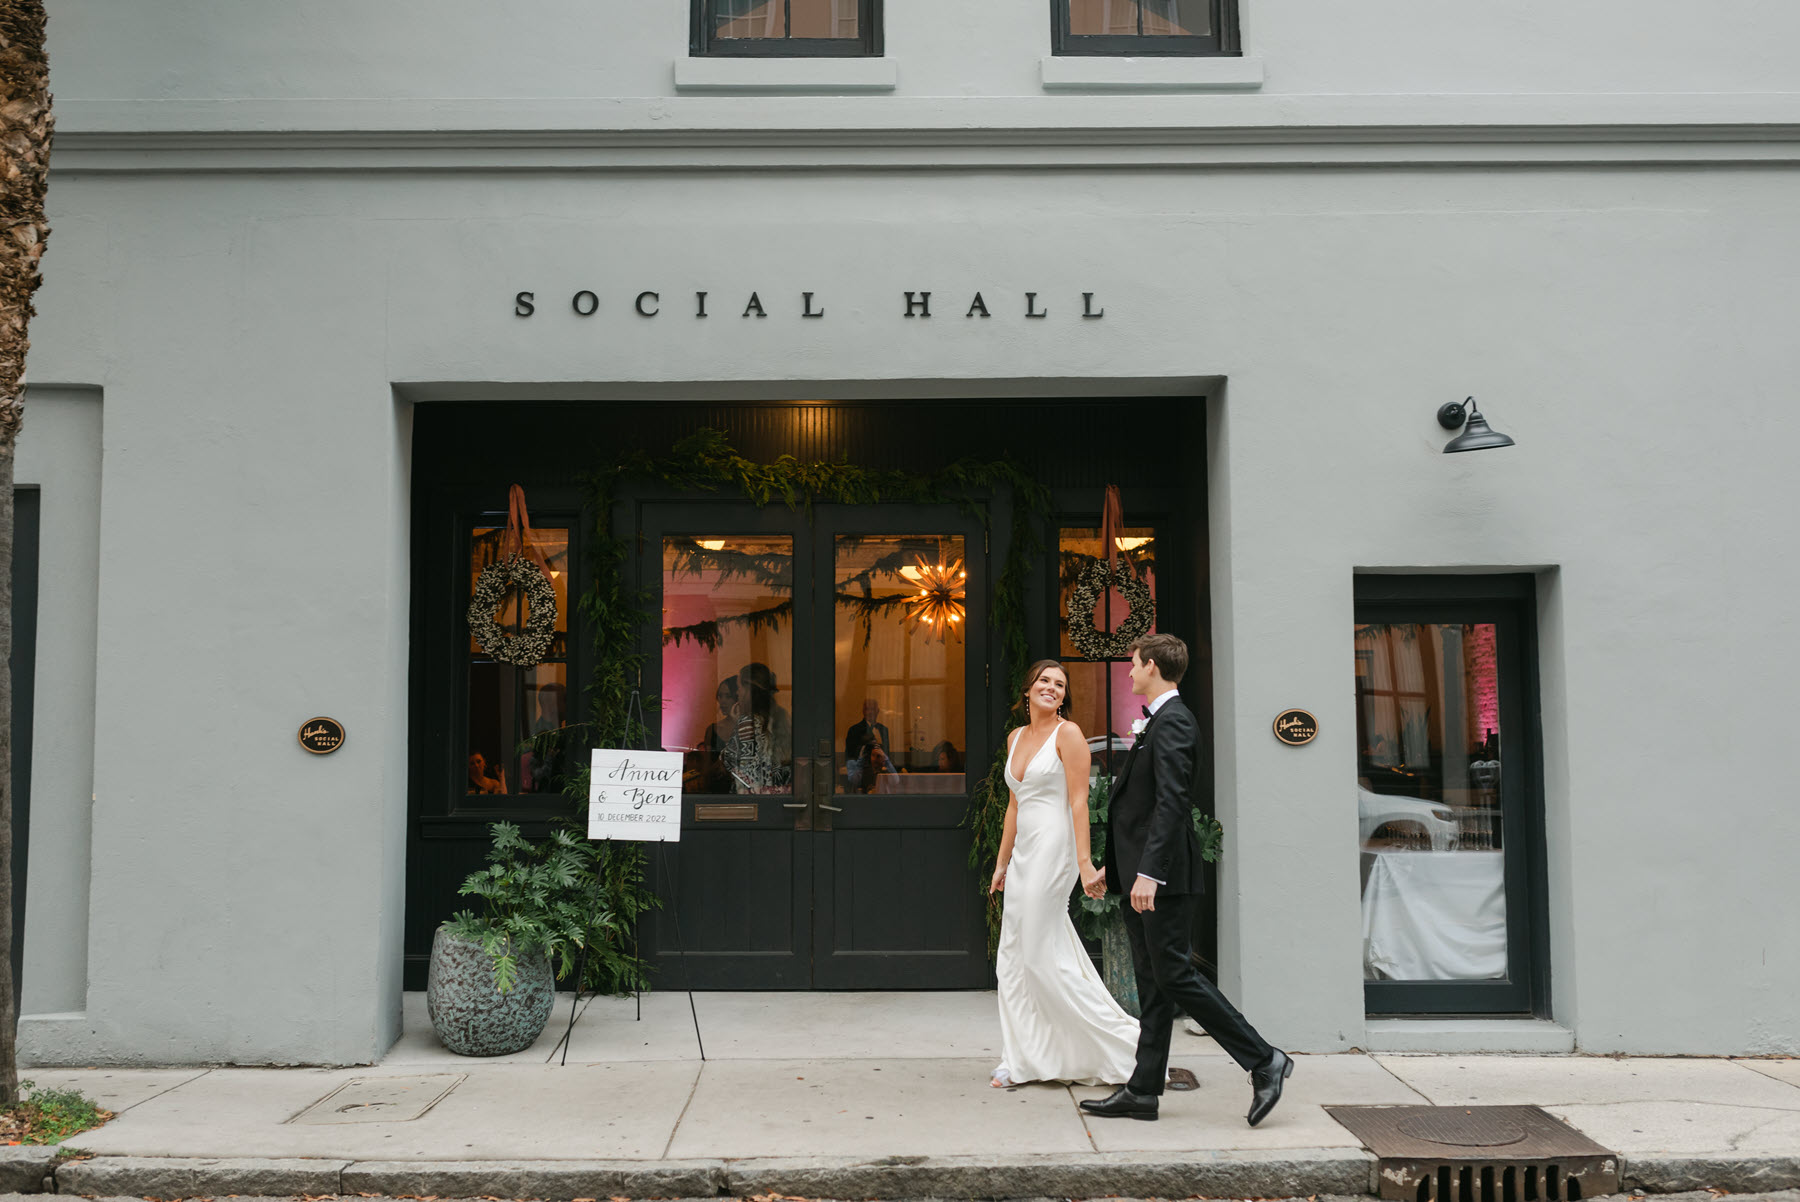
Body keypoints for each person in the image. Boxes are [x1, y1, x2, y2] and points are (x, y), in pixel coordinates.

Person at [1080, 633, 1292, 1127]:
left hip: (1165, 879)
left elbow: (1173, 802)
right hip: (1146, 873)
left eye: (1133, 664)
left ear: (1152, 666)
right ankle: (1143, 1090)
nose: (1129, 672)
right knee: (1153, 983)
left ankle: (1264, 1060)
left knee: (1175, 974)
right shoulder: (1160, 721)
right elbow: (1146, 806)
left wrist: (1150, 872)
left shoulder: (1173, 721)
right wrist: (1122, 865)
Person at [988, 659, 1139, 1089]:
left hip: (1054, 849)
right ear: (1028, 689)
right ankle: (1020, 1056)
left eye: (1059, 684)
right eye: (1045, 681)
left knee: (1036, 951)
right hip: (1023, 854)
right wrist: (1002, 863)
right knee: (1014, 955)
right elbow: (1014, 804)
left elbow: (1078, 801)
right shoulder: (1016, 737)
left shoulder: (1067, 734)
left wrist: (1085, 863)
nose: (1052, 688)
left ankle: (1120, 1042)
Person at [721, 661, 793, 794]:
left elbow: (731, 763)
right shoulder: (781, 716)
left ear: (748, 690)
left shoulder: (748, 723)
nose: (737, 692)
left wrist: (735, 724)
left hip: (753, 802)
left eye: (739, 687)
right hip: (780, 799)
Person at [843, 699, 891, 792]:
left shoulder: (884, 729)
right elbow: (850, 754)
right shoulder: (854, 730)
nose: (870, 712)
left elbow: (887, 751)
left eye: (873, 709)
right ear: (863, 711)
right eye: (867, 709)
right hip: (862, 776)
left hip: (882, 774)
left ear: (878, 711)